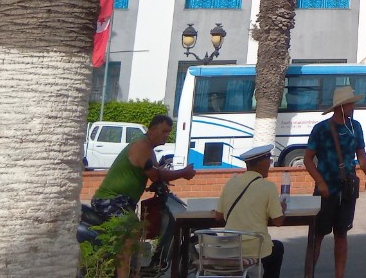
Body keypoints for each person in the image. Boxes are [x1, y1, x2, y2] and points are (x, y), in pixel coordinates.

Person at [90, 114, 196, 278]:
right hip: (110, 199)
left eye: (168, 132)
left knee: (137, 230)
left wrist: (160, 183)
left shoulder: (149, 150)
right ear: (152, 129)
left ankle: (133, 269)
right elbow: (155, 174)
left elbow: (157, 172)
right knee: (131, 229)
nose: (166, 135)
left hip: (123, 202)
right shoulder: (141, 145)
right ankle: (124, 274)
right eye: (164, 131)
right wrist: (183, 172)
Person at [304, 85, 366, 278]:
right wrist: (320, 182)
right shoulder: (321, 129)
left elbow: (361, 155)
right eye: (349, 104)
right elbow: (307, 159)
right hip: (326, 190)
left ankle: (339, 275)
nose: (353, 107)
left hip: (347, 189)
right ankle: (309, 274)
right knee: (318, 235)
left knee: (341, 235)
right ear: (340, 106)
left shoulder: (355, 126)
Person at [213, 144, 285, 278]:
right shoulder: (268, 186)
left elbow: (218, 216)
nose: (270, 164)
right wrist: (282, 209)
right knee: (277, 248)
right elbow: (278, 221)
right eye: (268, 161)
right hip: (255, 248)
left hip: (231, 248)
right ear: (260, 163)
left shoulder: (231, 183)